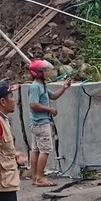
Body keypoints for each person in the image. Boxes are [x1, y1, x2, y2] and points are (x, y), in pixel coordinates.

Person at [27, 59, 71, 187]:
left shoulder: (42, 86)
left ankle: (35, 177)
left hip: (37, 124)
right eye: (44, 71)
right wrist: (50, 109)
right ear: (38, 73)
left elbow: (53, 96)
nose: (47, 73)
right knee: (45, 150)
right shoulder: (35, 87)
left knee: (36, 150)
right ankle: (40, 178)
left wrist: (64, 87)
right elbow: (33, 104)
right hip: (41, 123)